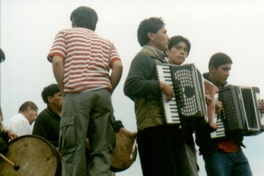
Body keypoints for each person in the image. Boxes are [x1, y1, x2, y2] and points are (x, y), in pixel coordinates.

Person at [47, 6, 123, 176]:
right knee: (102, 147)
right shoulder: (107, 42)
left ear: (73, 20)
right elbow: (117, 66)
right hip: (102, 94)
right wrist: (107, 89)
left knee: (73, 147)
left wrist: (64, 90)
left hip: (76, 93)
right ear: (94, 24)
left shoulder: (65, 34)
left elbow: (57, 61)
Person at [124, 17, 187, 176]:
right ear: (151, 35)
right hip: (153, 129)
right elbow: (130, 86)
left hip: (167, 128)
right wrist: (159, 85)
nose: (168, 37)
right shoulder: (144, 57)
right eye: (164, 32)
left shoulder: (162, 60)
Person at [196, 52, 264, 176]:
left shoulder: (230, 90)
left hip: (236, 149)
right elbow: (194, 121)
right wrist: (212, 112)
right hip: (214, 151)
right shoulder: (199, 88)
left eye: (229, 70)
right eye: (224, 69)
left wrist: (259, 110)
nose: (228, 73)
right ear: (212, 68)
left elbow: (246, 120)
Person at [165, 35, 199, 176]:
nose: (182, 52)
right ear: (167, 50)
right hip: (166, 134)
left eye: (185, 49)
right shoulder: (160, 70)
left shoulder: (193, 74)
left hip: (185, 135)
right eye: (178, 48)